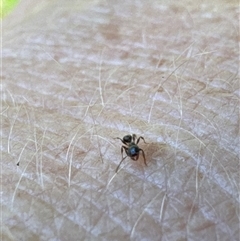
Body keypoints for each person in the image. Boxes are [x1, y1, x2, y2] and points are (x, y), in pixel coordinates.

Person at [2, 1, 239, 240]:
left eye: (133, 149)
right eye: (133, 151)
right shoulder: (128, 144)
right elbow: (127, 144)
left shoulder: (134, 142)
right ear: (130, 147)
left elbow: (135, 142)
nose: (133, 150)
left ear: (132, 145)